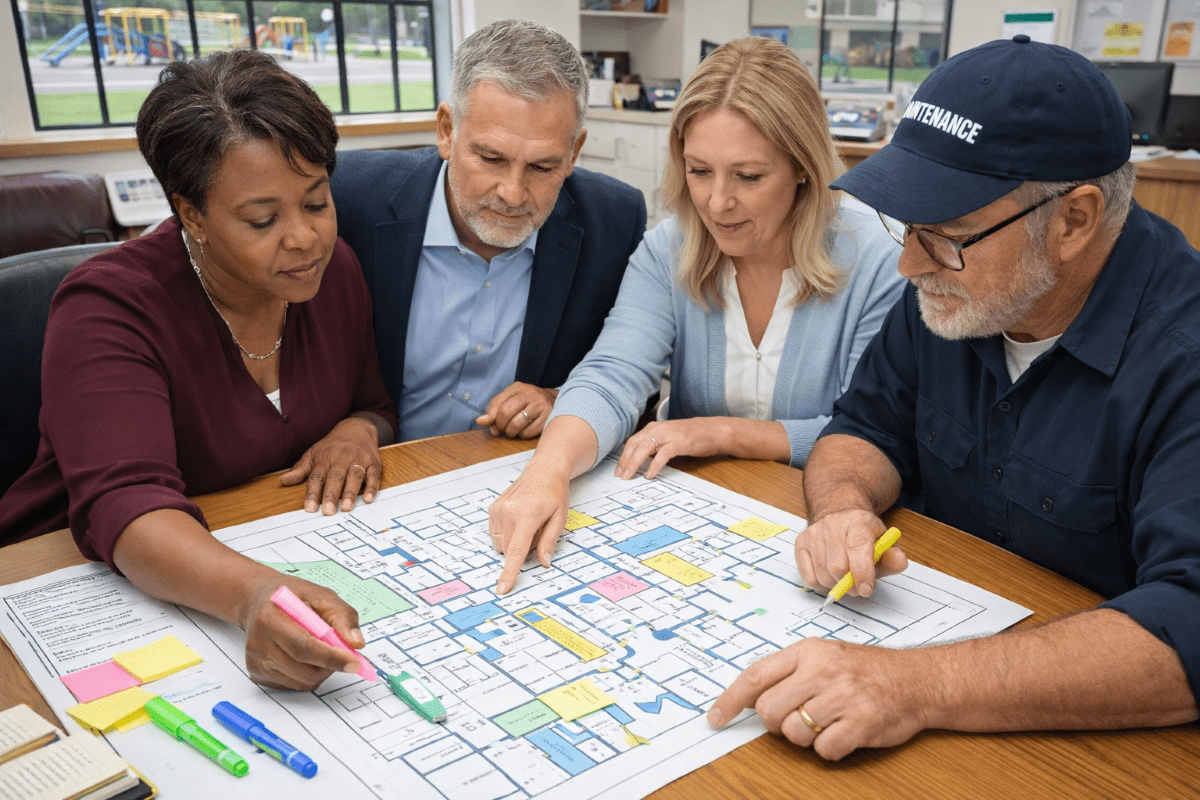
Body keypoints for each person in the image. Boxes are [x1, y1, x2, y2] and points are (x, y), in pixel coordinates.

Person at [708, 36, 1200, 760]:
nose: (910, 263)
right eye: (908, 226)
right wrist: (842, 508)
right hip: (945, 660)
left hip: (1096, 745)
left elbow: (1188, 622)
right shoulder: (954, 293)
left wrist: (918, 685)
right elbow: (865, 427)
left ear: (1073, 220)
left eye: (945, 233)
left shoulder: (1182, 357)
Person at [0, 49, 399, 692]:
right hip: (70, 595)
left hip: (238, 555)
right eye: (262, 220)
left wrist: (356, 431)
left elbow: (373, 402)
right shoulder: (109, 305)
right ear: (192, 215)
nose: (304, 238)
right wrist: (254, 595)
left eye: (317, 203)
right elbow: (127, 504)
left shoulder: (331, 270)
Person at [487, 37, 904, 594]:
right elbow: (612, 374)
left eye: (748, 176)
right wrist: (547, 472)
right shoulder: (670, 246)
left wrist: (720, 432)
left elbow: (873, 433)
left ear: (803, 168)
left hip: (827, 531)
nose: (716, 202)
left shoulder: (881, 257)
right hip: (700, 532)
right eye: (699, 170)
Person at [331, 19, 646, 442]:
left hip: (519, 468)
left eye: (542, 166)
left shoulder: (615, 220)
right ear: (447, 131)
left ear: (574, 152)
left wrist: (563, 398)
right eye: (491, 159)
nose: (513, 194)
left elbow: (634, 378)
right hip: (382, 467)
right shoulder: (347, 199)